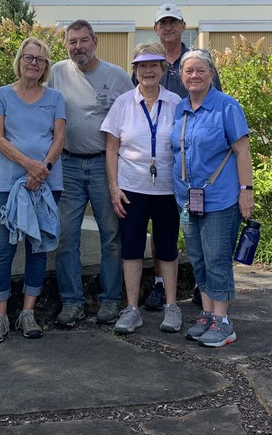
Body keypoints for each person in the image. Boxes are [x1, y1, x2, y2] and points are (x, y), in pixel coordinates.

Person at [48, 20, 134, 327]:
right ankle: (72, 303)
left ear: (95, 41)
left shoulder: (118, 76)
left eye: (84, 41)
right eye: (72, 42)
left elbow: (133, 117)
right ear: (66, 45)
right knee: (65, 236)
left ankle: (110, 301)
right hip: (67, 164)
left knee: (111, 236)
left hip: (104, 164)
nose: (78, 47)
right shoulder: (56, 72)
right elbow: (36, 105)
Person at [0, 37, 66, 344]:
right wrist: (29, 165)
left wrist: (41, 169)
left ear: (46, 67)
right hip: (10, 185)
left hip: (46, 184)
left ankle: (28, 314)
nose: (34, 63)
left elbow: (59, 139)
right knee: (3, 250)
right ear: (19, 60)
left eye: (40, 60)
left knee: (38, 249)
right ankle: (0, 317)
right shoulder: (1, 95)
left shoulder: (55, 97)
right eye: (29, 58)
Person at [170, 49, 254, 348]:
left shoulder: (227, 107)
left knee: (217, 260)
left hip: (220, 199)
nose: (194, 76)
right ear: (181, 76)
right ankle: (206, 314)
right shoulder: (180, 108)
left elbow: (243, 151)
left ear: (212, 73)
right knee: (198, 258)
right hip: (188, 200)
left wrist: (246, 192)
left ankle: (223, 322)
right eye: (188, 71)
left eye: (200, 70)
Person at [141, 3, 222, 310]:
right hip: (158, 163)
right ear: (156, 28)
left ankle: (206, 287)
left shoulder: (198, 61)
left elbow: (216, 103)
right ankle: (161, 285)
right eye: (163, 22)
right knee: (161, 229)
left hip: (196, 164)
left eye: (173, 21)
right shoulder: (149, 62)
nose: (169, 27)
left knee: (197, 226)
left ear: (183, 25)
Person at [101, 43, 183, 334]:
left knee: (168, 248)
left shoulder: (176, 102)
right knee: (132, 249)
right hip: (131, 189)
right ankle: (132, 308)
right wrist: (114, 187)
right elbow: (112, 148)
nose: (149, 71)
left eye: (154, 65)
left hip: (167, 189)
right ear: (134, 71)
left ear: (162, 69)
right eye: (142, 66)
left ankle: (172, 306)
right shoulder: (123, 103)